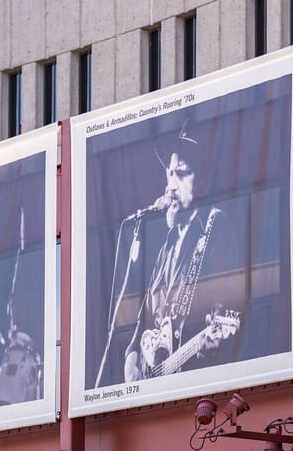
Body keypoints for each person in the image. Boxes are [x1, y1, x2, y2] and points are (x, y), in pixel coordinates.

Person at [102, 124, 239, 385]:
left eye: (181, 174)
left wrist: (211, 340)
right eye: (169, 174)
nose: (170, 187)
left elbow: (227, 300)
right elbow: (143, 325)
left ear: (201, 182)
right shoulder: (166, 248)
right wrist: (132, 360)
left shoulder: (216, 227)